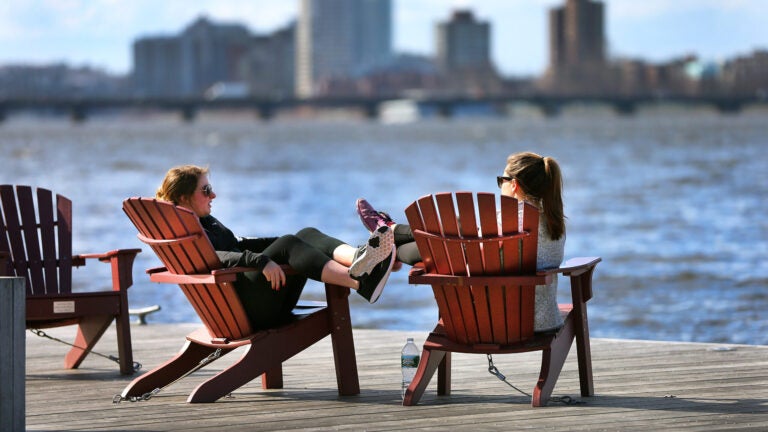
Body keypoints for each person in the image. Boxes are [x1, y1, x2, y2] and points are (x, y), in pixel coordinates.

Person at [155, 164, 395, 331]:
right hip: (248, 310)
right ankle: (360, 282)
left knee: (303, 235)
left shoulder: (202, 221)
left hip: (252, 299)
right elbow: (214, 257)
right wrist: (262, 260)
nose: (213, 195)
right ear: (185, 198)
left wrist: (284, 244)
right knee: (290, 244)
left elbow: (236, 246)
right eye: (205, 190)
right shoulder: (185, 231)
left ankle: (363, 259)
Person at [356, 151, 566, 332]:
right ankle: (389, 236)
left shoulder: (505, 220)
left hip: (487, 322)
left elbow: (476, 261)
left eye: (501, 180)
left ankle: (388, 236)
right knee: (453, 233)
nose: (499, 186)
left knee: (444, 239)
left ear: (514, 185)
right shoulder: (554, 222)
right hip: (543, 321)